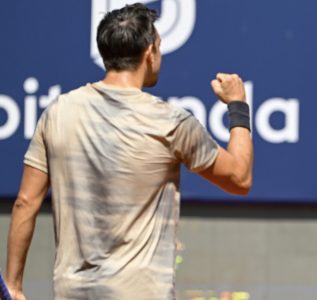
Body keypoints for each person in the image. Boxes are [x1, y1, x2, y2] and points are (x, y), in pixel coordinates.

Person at [4, 3, 253, 300]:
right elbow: (239, 178)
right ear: (149, 52)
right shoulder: (170, 122)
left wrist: (13, 285)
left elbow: (25, 203)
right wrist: (237, 105)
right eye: (159, 47)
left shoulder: (57, 113)